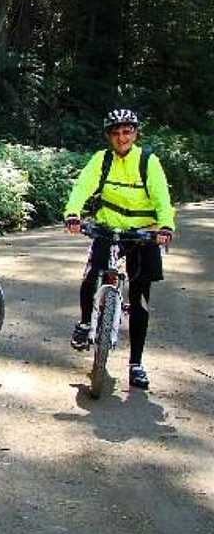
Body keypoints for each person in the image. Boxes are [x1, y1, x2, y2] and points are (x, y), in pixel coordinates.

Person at [63, 108, 174, 390]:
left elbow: (162, 196)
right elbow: (82, 186)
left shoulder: (148, 162)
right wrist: (73, 213)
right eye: (115, 132)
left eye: (127, 131)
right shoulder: (101, 160)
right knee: (91, 276)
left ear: (135, 133)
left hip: (142, 234)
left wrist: (165, 226)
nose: (121, 137)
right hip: (108, 227)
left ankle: (136, 364)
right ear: (109, 136)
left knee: (139, 298)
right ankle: (86, 323)